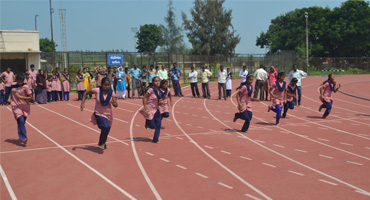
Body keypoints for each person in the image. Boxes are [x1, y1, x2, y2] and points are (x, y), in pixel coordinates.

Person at [81, 77, 118, 150]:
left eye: (108, 85)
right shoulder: (97, 90)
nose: (106, 87)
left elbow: (116, 105)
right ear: (101, 85)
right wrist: (82, 103)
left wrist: (114, 103)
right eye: (105, 85)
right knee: (106, 127)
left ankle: (102, 142)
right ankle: (102, 143)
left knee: (106, 129)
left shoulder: (112, 93)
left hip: (108, 115)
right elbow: (86, 92)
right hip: (99, 113)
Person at [8, 73, 33, 145]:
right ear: (17, 80)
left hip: (24, 105)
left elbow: (31, 97)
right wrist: (9, 98)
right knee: (21, 120)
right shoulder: (13, 85)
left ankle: (21, 137)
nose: (20, 82)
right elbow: (11, 91)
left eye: (22, 80)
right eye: (19, 80)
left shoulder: (25, 86)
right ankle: (24, 138)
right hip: (15, 105)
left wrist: (21, 97)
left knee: (21, 122)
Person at [139, 77, 163, 143]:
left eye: (158, 81)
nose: (157, 82)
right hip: (149, 108)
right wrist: (145, 108)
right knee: (152, 126)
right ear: (153, 83)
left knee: (158, 124)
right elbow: (144, 98)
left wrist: (161, 102)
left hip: (156, 109)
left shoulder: (160, 91)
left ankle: (155, 139)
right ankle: (147, 121)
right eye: (156, 81)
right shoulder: (151, 89)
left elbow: (159, 100)